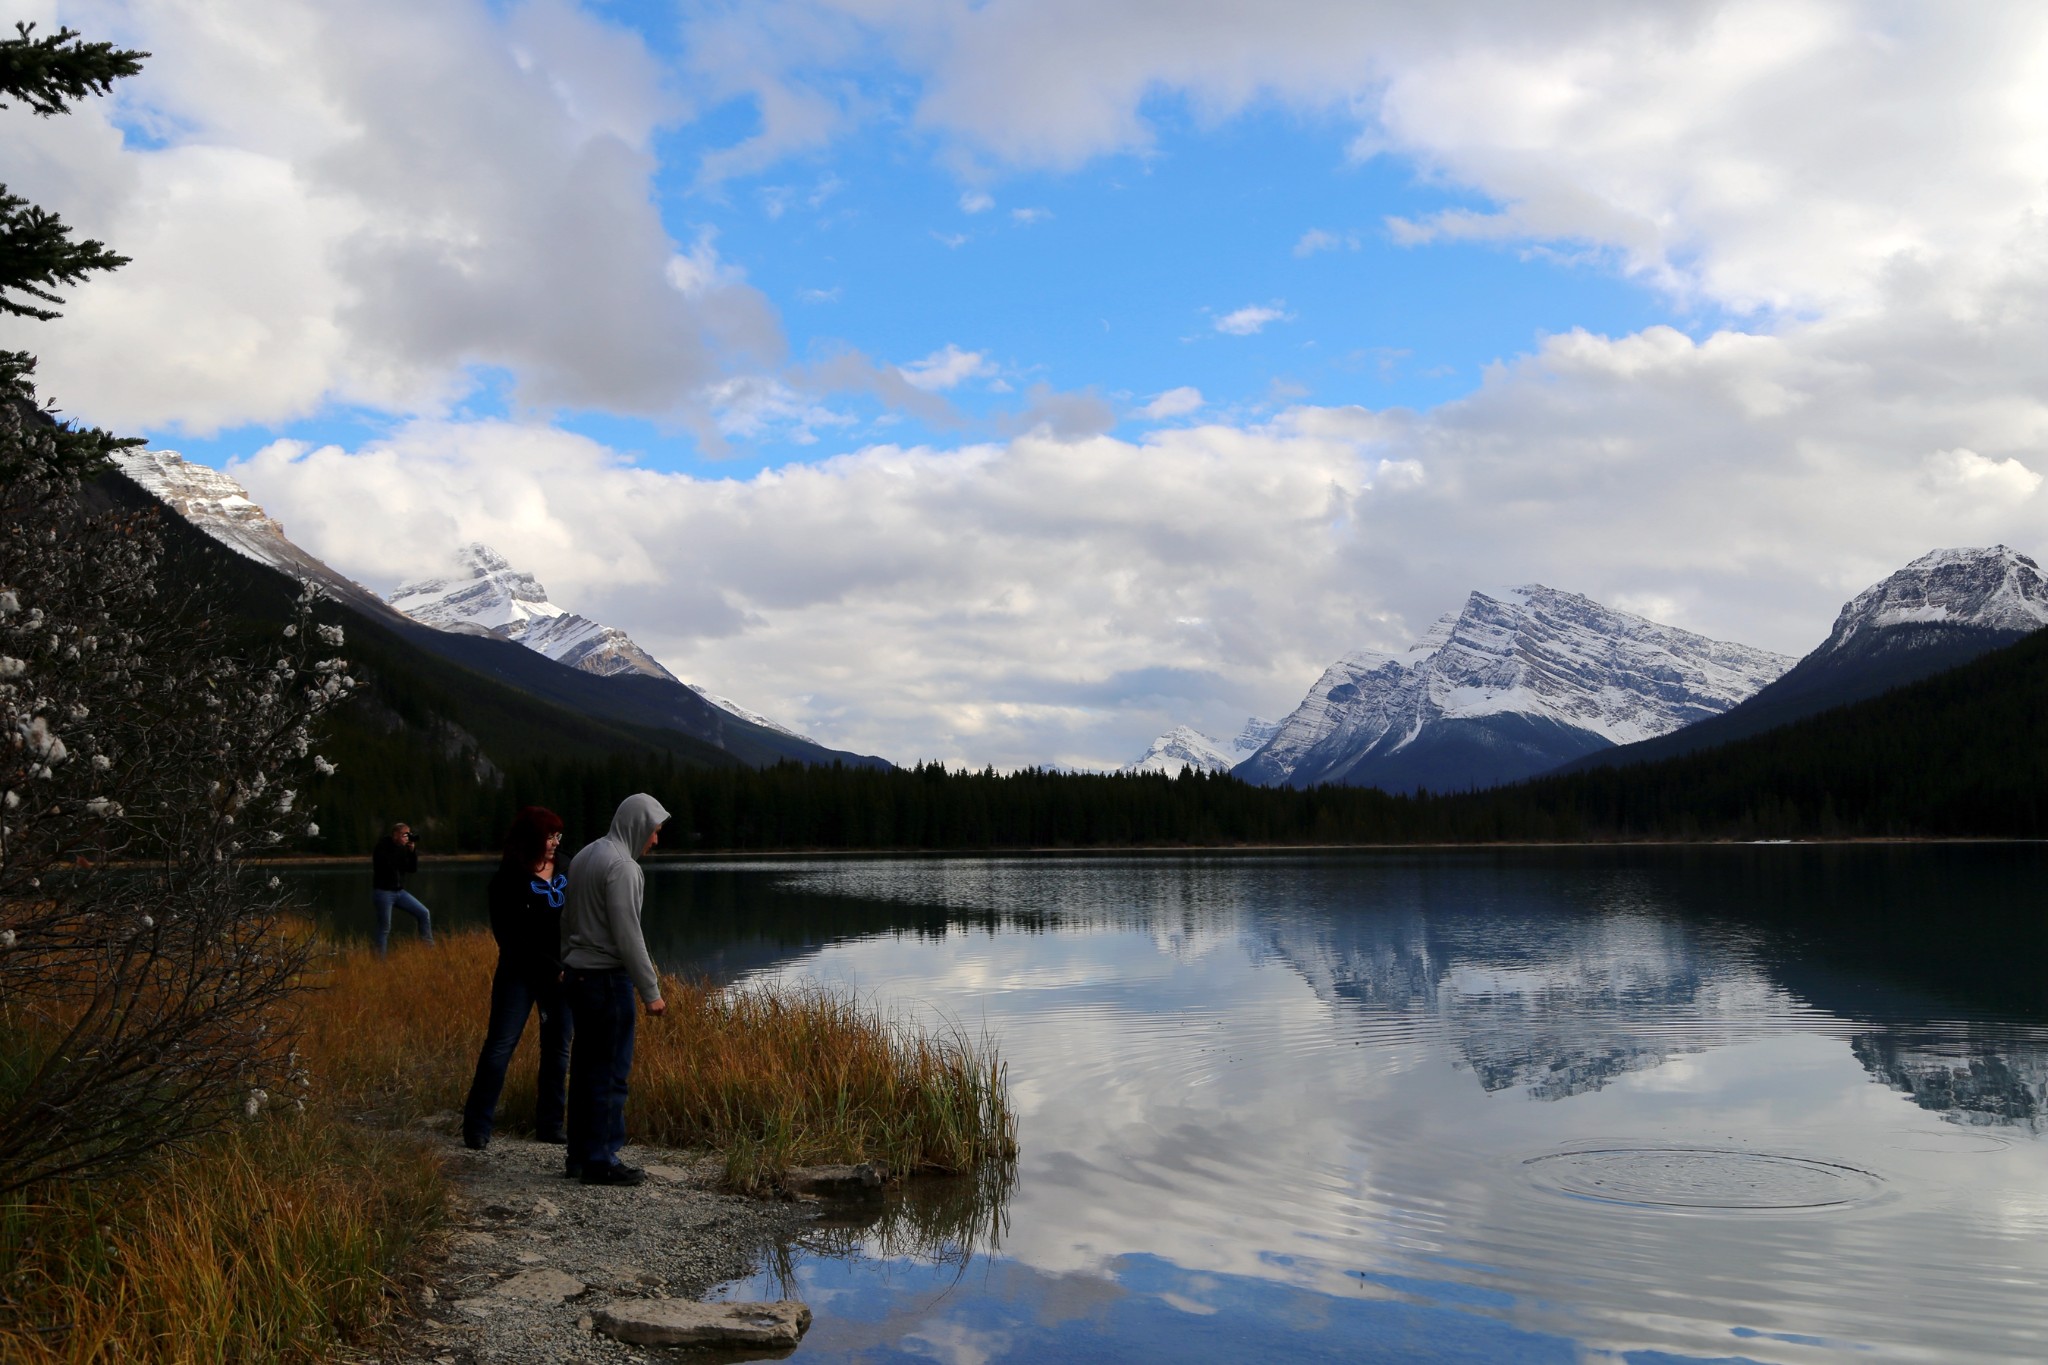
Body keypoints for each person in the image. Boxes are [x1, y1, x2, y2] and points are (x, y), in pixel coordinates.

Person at [560, 793, 669, 1186]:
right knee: (610, 1075)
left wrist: (564, 959)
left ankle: (579, 1155)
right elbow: (629, 936)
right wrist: (651, 991)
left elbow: (566, 917)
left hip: (578, 976)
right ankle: (602, 1160)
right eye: (654, 832)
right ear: (638, 825)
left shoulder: (587, 855)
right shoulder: (623, 867)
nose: (655, 841)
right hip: (607, 982)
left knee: (587, 1070)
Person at [461, 807, 574, 1151]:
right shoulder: (508, 878)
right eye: (549, 835)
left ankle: (550, 1125)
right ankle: (477, 1126)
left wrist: (572, 961)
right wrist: (548, 965)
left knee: (558, 1049)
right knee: (500, 1046)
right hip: (519, 973)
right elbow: (509, 936)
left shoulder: (569, 867)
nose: (555, 842)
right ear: (530, 838)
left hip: (563, 972)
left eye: (558, 835)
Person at [370, 821, 433, 955]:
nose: (407, 837)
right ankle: (379, 961)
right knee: (384, 927)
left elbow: (412, 869)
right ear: (395, 834)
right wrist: (402, 849)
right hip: (383, 892)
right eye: (405, 834)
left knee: (424, 913)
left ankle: (429, 951)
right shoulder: (383, 847)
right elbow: (389, 865)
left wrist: (412, 852)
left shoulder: (402, 848)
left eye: (408, 834)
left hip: (399, 892)